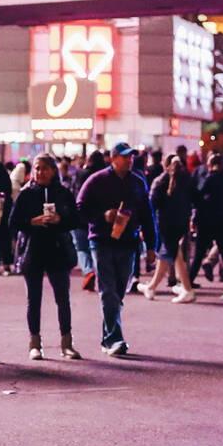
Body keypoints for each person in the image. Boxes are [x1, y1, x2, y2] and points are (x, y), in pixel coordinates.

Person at [75, 142, 156, 357]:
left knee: (119, 291)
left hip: (128, 242)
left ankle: (107, 337)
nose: (129, 160)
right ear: (113, 159)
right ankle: (114, 339)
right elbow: (80, 208)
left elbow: (147, 214)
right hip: (101, 241)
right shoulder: (97, 180)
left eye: (130, 157)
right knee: (108, 291)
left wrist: (151, 245)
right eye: (124, 157)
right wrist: (103, 215)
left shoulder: (137, 181)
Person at [10, 154, 81, 360]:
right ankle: (34, 343)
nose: (40, 172)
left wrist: (60, 219)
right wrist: (33, 221)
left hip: (58, 251)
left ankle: (67, 342)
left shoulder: (63, 193)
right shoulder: (26, 194)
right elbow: (13, 222)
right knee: (34, 299)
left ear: (53, 171)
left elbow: (75, 220)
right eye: (37, 168)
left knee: (63, 298)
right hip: (33, 251)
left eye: (45, 168)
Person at [138, 155, 195, 303]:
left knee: (174, 254)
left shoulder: (160, 181)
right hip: (181, 223)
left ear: (165, 165)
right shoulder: (186, 180)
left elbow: (151, 205)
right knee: (169, 254)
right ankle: (151, 287)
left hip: (165, 223)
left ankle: (187, 289)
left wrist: (144, 226)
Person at [188, 154, 223, 300]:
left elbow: (198, 199)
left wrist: (196, 218)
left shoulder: (208, 179)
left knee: (199, 254)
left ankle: (187, 283)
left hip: (207, 221)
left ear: (209, 164)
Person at [72, 150, 106, 289]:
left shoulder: (81, 174)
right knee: (95, 248)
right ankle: (98, 273)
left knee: (81, 247)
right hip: (98, 217)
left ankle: (88, 270)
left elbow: (74, 192)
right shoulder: (105, 176)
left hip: (80, 217)